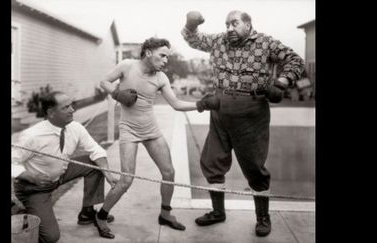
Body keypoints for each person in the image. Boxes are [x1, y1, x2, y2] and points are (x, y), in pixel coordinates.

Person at [181, 10, 305, 237]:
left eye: (234, 23)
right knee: (212, 161)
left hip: (252, 112)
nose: (229, 28)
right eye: (226, 24)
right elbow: (193, 39)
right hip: (220, 109)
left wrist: (282, 81)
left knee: (254, 168)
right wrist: (191, 22)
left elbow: (296, 60)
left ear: (248, 25)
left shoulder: (265, 42)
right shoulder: (219, 40)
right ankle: (218, 211)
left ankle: (263, 218)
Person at [97, 37, 218, 237]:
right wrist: (117, 94)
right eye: (162, 55)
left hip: (151, 130)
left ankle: (165, 213)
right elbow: (104, 81)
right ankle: (101, 216)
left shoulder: (161, 78)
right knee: (127, 180)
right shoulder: (127, 66)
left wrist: (201, 105)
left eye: (167, 57)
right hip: (128, 129)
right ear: (148, 52)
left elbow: (176, 104)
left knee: (169, 172)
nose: (165, 61)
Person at [12, 91, 119, 242]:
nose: (72, 110)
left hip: (59, 176)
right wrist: (31, 176)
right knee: (51, 237)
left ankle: (87, 213)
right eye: (66, 107)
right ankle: (20, 211)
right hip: (35, 187)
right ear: (50, 112)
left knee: (95, 163)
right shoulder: (32, 136)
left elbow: (95, 150)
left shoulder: (75, 127)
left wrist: (107, 173)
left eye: (72, 105)